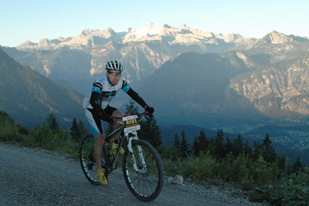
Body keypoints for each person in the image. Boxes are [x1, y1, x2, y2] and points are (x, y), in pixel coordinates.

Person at [83, 59, 154, 186]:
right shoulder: (99, 84)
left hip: (104, 108)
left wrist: (146, 107)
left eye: (119, 74)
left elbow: (134, 95)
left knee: (121, 117)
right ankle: (99, 171)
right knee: (100, 139)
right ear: (107, 74)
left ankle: (114, 143)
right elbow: (94, 102)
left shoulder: (120, 83)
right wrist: (105, 117)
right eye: (114, 74)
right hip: (92, 110)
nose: (117, 77)